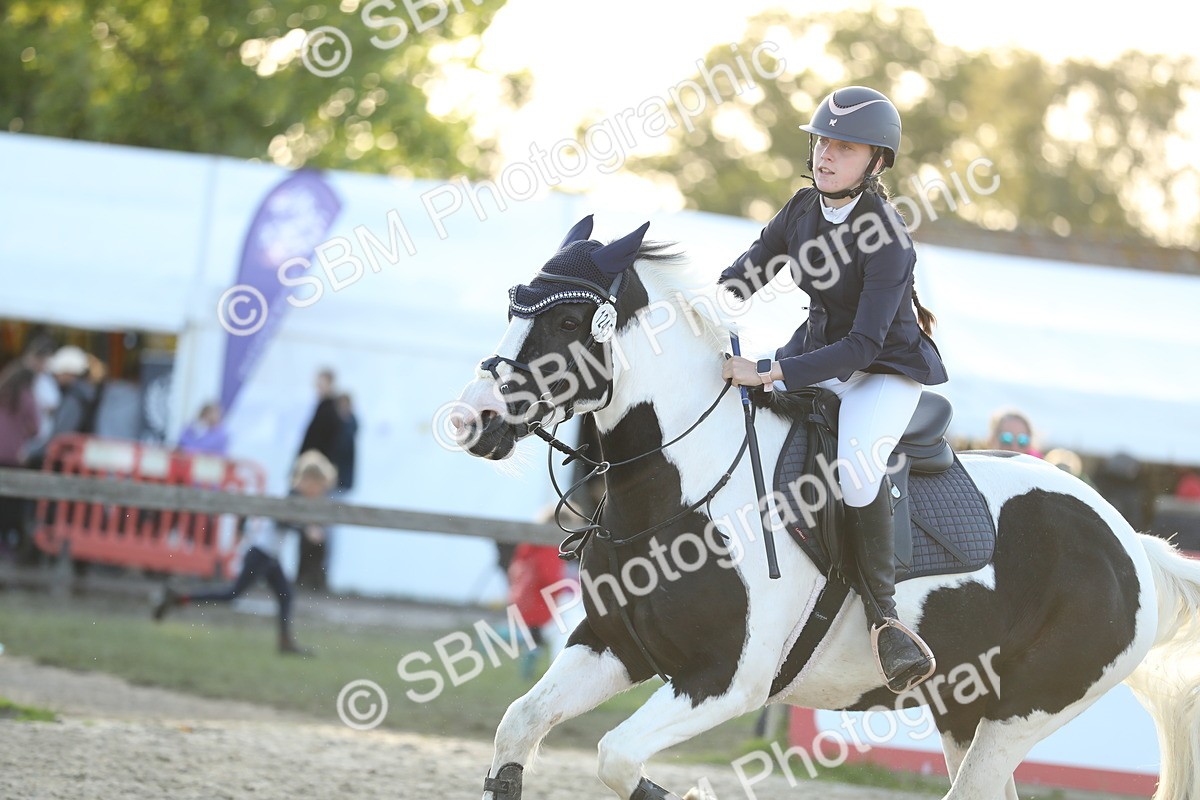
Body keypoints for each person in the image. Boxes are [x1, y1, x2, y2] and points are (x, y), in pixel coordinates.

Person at [717, 86, 946, 693]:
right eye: (821, 142)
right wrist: (705, 308)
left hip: (881, 371)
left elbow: (864, 347)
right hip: (816, 349)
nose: (824, 155)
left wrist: (769, 370)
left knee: (854, 471)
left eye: (843, 147)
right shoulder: (801, 209)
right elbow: (745, 274)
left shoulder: (888, 236)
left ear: (875, 162)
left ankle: (884, 621)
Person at [152, 450, 338, 655]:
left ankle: (286, 643)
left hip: (271, 557)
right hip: (260, 554)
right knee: (232, 594)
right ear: (309, 480)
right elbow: (281, 521)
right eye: (320, 486)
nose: (319, 492)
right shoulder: (292, 497)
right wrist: (305, 529)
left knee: (285, 596)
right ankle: (180, 597)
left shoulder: (297, 499)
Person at [296, 369, 340, 591]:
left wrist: (317, 473)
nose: (318, 387)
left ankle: (315, 577)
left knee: (317, 528)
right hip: (312, 473)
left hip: (316, 475)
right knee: (309, 527)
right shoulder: (323, 408)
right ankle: (307, 576)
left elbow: (324, 445)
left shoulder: (329, 411)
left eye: (321, 383)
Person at [0, 360, 39, 558]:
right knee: (11, 505)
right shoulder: (27, 398)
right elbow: (36, 429)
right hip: (14, 458)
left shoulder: (2, 393)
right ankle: (8, 543)